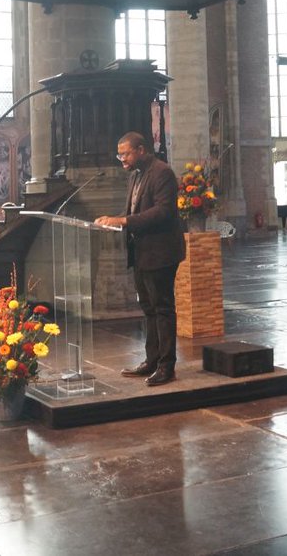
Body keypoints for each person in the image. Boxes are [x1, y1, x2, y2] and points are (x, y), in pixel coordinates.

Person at [95, 132, 185, 387]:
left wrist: (123, 220)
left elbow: (163, 212)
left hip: (161, 252)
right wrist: (112, 220)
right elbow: (134, 211)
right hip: (141, 252)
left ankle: (167, 366)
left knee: (163, 308)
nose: (122, 159)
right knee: (148, 308)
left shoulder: (162, 173)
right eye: (119, 155)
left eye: (125, 154)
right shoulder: (135, 175)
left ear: (141, 150)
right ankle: (152, 360)